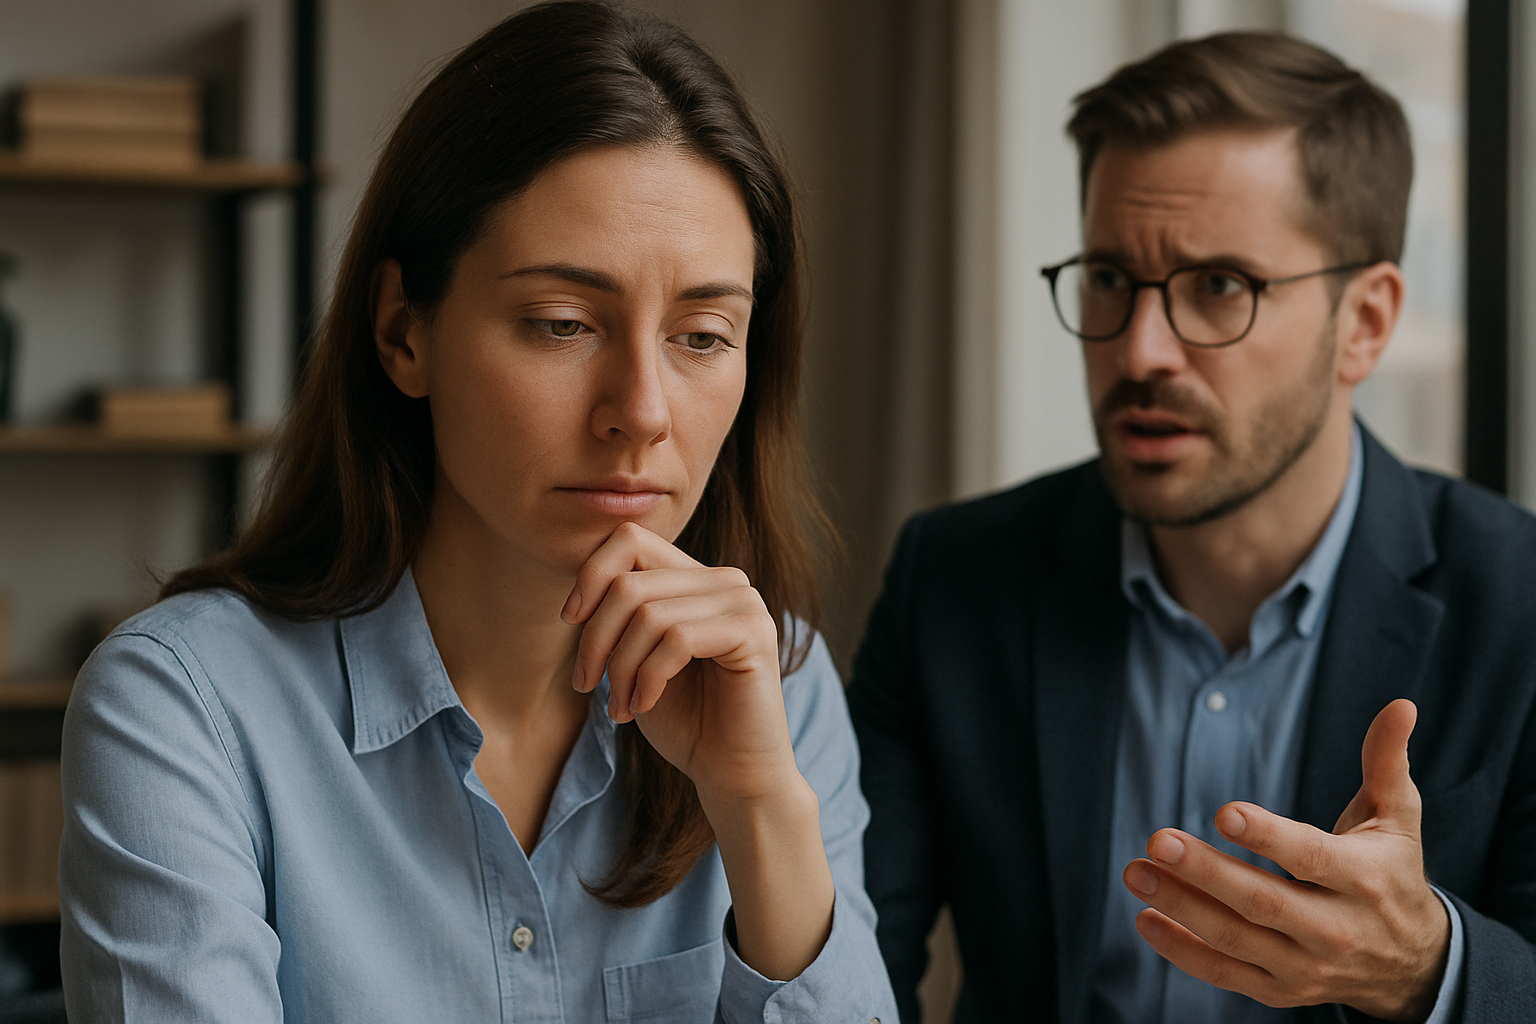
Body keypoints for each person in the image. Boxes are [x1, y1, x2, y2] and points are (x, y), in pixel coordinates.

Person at [57, 4, 899, 1022]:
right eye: (562, 323)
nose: (640, 410)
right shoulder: (187, 711)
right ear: (403, 331)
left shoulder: (782, 690)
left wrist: (762, 807)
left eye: (704, 335)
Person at [849, 31, 1536, 1024]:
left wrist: (1427, 968)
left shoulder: (1515, 601)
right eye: (1110, 279)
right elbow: (848, 967)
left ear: (1369, 321)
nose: (1141, 350)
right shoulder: (954, 579)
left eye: (1219, 286)